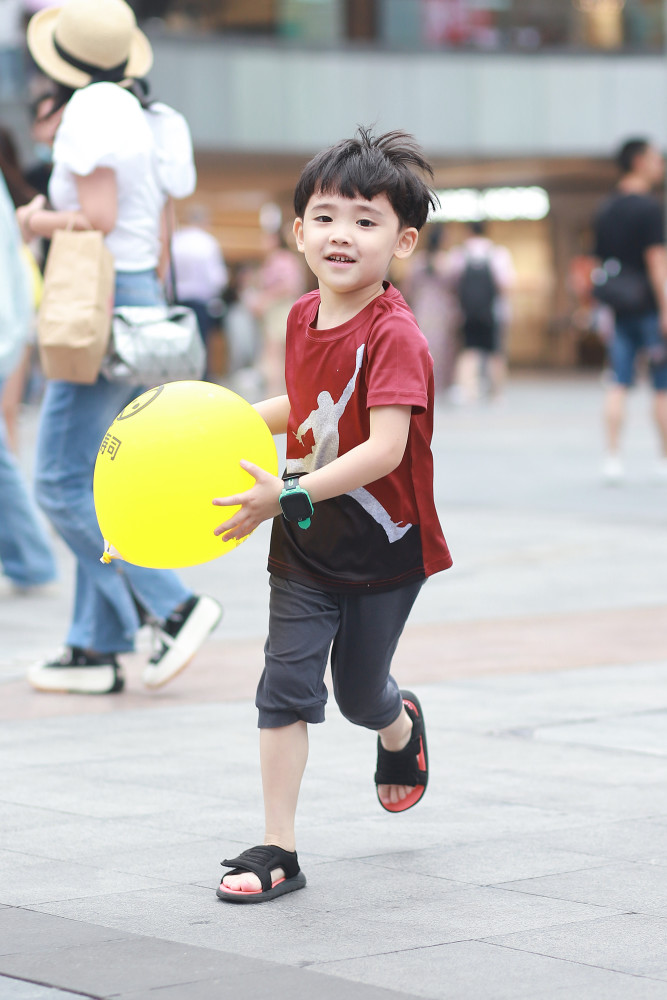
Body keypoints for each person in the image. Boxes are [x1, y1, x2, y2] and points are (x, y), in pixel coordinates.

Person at [212, 128, 453, 903]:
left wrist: (281, 495)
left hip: (385, 544)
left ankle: (398, 724)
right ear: (297, 232)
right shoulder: (300, 314)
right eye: (324, 217)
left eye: (364, 219)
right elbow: (311, 406)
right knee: (283, 686)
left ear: (403, 240)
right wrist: (232, 424)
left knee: (358, 696)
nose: (339, 234)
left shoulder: (395, 335)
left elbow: (384, 449)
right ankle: (276, 848)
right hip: (308, 540)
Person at [18, 0, 221, 695]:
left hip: (100, 296)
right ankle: (95, 646)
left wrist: (34, 216)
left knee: (59, 479)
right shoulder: (141, 112)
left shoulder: (91, 111)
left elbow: (96, 217)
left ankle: (175, 606)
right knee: (91, 476)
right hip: (131, 294)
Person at [592, 138, 667, 484]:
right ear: (638, 161)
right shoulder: (649, 208)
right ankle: (663, 460)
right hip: (649, 308)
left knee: (617, 382)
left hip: (618, 307)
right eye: (656, 158)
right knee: (661, 385)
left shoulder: (606, 208)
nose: (660, 165)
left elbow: (598, 262)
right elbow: (657, 262)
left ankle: (612, 457)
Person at [0, 167, 57, 592]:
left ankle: (31, 560)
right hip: (14, 329)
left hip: (13, 329)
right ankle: (30, 560)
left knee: (59, 480)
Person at [445, 220, 515, 403]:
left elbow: (451, 284)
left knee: (468, 351)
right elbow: (505, 285)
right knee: (495, 352)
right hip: (493, 312)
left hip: (466, 312)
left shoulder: (459, 254)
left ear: (468, 231)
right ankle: (497, 394)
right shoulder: (497, 254)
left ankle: (468, 392)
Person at [171, 205, 228, 376]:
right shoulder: (208, 242)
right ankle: (199, 380)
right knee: (201, 345)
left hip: (177, 301)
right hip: (200, 303)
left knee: (179, 345)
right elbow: (217, 278)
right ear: (204, 221)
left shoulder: (177, 240)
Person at [400, 223, 456, 391]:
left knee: (422, 347)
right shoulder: (448, 262)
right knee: (444, 349)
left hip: (422, 308)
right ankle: (440, 384)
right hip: (443, 309)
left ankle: (423, 382)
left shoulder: (418, 261)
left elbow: (407, 289)